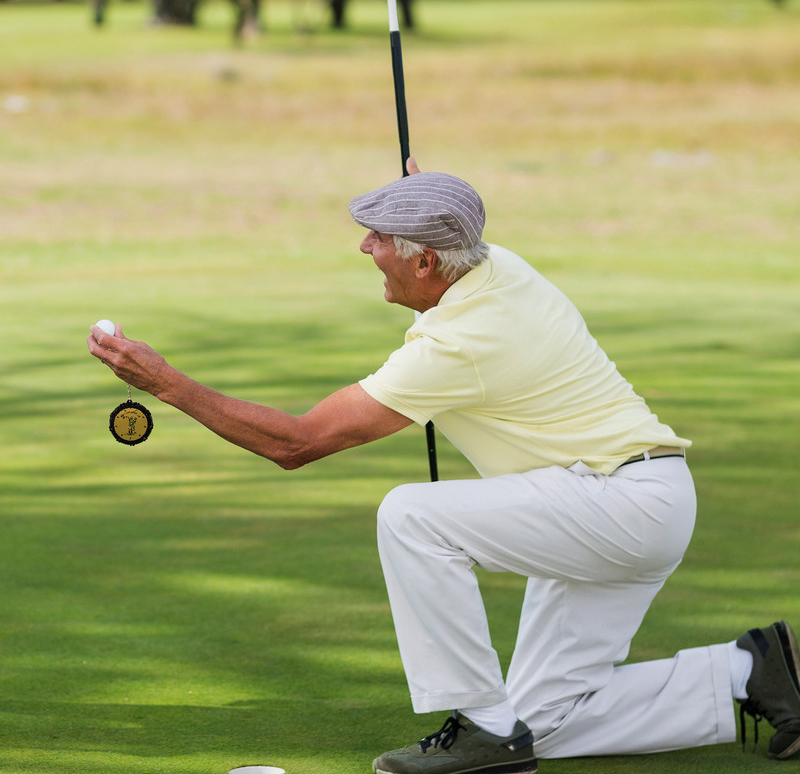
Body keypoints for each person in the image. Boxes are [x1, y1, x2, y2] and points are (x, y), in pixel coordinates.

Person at [87, 160, 800, 773]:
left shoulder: (461, 345)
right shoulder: (496, 262)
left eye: (378, 239)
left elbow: (296, 443)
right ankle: (751, 673)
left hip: (619, 506)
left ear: (427, 261)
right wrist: (420, 194)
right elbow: (446, 224)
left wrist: (167, 385)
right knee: (542, 725)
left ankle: (480, 727)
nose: (364, 248)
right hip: (615, 503)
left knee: (411, 515)